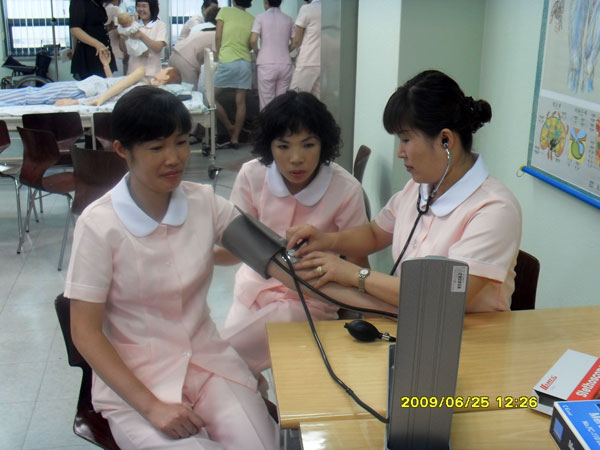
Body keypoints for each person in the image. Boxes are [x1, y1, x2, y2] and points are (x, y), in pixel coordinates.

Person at [65, 85, 280, 450]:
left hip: (209, 366)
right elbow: (85, 332)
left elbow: (273, 258)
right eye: (156, 148)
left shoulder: (203, 202)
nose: (174, 158)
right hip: (138, 384)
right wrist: (151, 407)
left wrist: (354, 281)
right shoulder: (99, 224)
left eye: (181, 143)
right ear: (122, 150)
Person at [287, 70, 523, 313]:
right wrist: (326, 240)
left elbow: (445, 297)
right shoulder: (419, 188)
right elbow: (374, 234)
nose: (400, 152)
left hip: (469, 332)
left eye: (406, 140)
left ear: (445, 140)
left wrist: (355, 275)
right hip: (411, 319)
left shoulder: (494, 209)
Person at [216, 91, 372, 374]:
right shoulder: (252, 175)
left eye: (308, 145)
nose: (296, 159)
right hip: (253, 290)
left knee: (226, 357)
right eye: (283, 146)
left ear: (323, 144)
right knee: (232, 363)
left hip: (312, 299)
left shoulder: (346, 189)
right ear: (269, 146)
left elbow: (359, 261)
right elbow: (235, 248)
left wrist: (368, 312)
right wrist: (197, 255)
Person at [0, 52, 180, 107]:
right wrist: (106, 66)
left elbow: (113, 95)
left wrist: (80, 102)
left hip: (83, 91)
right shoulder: (143, 82)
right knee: (33, 95)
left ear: (166, 78)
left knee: (32, 96)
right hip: (86, 90)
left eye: (164, 70)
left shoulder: (142, 80)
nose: (160, 69)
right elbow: (115, 87)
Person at [214, 0, 254, 148]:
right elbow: (251, 44)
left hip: (227, 60)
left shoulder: (225, 11)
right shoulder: (251, 18)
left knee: (209, 97)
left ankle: (229, 126)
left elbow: (218, 36)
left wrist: (218, 54)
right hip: (245, 63)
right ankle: (235, 138)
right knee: (241, 102)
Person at [251, 0, 294, 109]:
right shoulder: (288, 19)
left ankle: (267, 120)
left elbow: (253, 40)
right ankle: (281, 120)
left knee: (266, 102)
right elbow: (295, 42)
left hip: (266, 63)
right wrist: (286, 50)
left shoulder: (260, 17)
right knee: (282, 102)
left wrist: (257, 52)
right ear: (281, 1)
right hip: (285, 63)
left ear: (266, 1)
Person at [168, 5, 219, 89]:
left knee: (174, 90)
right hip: (186, 60)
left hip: (175, 54)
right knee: (189, 92)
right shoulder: (217, 34)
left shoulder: (204, 29)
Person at [70, 0, 117, 79]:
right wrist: (97, 44)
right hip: (89, 52)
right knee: (93, 82)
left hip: (102, 49)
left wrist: (109, 28)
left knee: (107, 81)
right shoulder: (79, 2)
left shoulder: (97, 2)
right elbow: (75, 29)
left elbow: (94, 27)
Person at [123, 0, 167, 76]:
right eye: (138, 6)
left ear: (152, 7)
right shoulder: (132, 25)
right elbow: (123, 49)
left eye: (144, 6)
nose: (140, 9)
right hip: (133, 71)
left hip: (151, 73)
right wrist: (122, 36)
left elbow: (158, 47)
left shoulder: (160, 25)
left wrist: (141, 35)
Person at [289, 0, 321, 98]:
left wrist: (286, 51)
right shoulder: (329, 9)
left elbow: (297, 40)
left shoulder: (306, 8)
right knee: (317, 100)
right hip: (323, 62)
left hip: (307, 60)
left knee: (294, 97)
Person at [104, 0, 125, 75]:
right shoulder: (115, 9)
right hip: (116, 53)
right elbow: (124, 29)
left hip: (103, 54)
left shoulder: (100, 8)